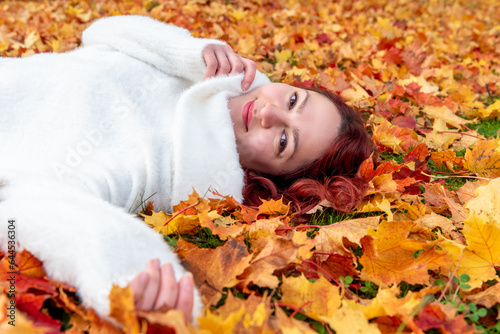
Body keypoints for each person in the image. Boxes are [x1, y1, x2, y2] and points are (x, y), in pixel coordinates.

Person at [0, 15, 372, 324]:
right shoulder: (209, 67)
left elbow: (39, 210)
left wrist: (127, 277)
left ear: (269, 175)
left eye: (282, 142)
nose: (269, 113)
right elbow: (101, 34)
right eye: (292, 99)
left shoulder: (162, 167)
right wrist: (190, 52)